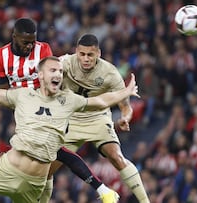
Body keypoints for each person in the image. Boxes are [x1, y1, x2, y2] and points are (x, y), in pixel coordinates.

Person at [0, 56, 140, 203]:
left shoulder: (68, 100)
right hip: (8, 170)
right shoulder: (23, 95)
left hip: (35, 183)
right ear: (40, 75)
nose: (58, 74)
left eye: (60, 71)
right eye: (52, 70)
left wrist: (125, 92)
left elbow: (99, 101)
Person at [0, 17, 119, 202]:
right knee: (44, 161)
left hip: (48, 105)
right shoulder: (0, 57)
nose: (29, 46)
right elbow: (2, 91)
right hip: (24, 111)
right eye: (25, 42)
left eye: (32, 42)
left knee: (54, 152)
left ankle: (102, 189)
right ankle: (101, 190)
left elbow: (52, 77)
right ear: (14, 37)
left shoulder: (43, 49)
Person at [42, 34, 150, 203]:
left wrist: (125, 118)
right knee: (46, 170)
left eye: (90, 55)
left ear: (98, 53)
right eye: (82, 54)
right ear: (76, 52)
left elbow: (125, 106)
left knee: (116, 157)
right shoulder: (64, 64)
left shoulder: (110, 73)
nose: (85, 59)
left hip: (98, 118)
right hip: (71, 120)